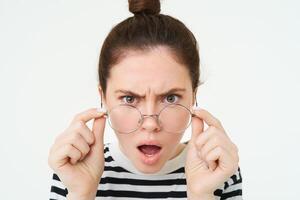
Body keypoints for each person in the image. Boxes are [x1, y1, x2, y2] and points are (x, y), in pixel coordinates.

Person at [48, 0, 242, 199]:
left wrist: (201, 195)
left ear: (194, 97)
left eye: (170, 98)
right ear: (103, 98)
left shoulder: (217, 169)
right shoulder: (73, 168)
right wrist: (81, 193)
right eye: (129, 98)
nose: (150, 124)